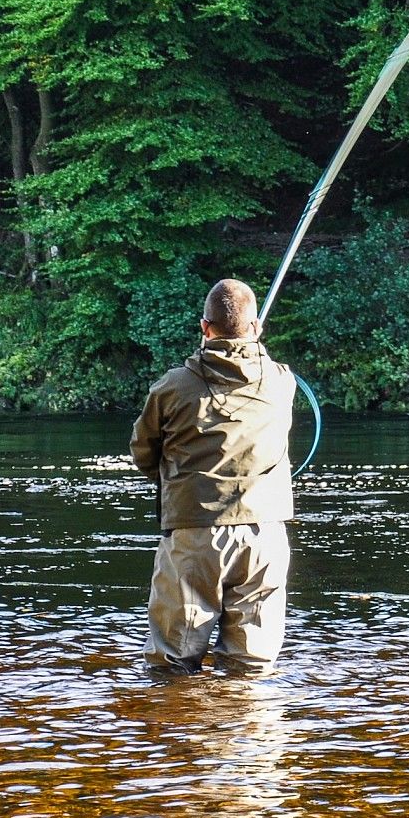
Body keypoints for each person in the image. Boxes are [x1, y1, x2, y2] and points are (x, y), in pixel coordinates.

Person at [129, 278, 297, 674]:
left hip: (194, 531)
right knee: (251, 664)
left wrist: (176, 480)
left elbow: (142, 452)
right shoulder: (282, 381)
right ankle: (250, 733)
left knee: (172, 663)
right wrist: (251, 343)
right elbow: (257, 368)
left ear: (204, 328)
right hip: (264, 533)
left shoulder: (172, 386)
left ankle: (182, 730)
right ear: (257, 328)